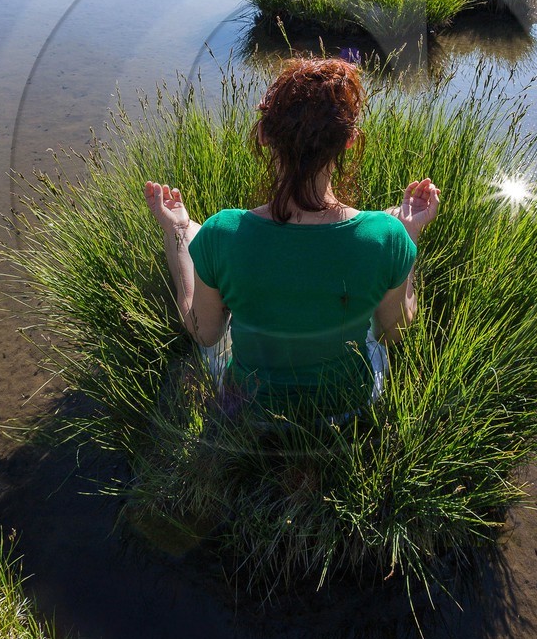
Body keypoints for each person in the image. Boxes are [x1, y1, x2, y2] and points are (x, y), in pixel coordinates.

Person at [143, 57, 439, 415]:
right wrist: (408, 236)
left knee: (196, 235)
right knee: (372, 329)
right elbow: (394, 332)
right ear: (349, 141)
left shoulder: (223, 231)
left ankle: (182, 230)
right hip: (348, 408)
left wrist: (177, 233)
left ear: (265, 135)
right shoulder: (386, 235)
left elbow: (204, 333)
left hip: (251, 410)